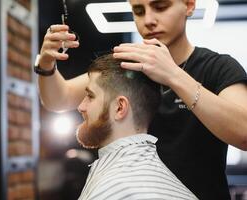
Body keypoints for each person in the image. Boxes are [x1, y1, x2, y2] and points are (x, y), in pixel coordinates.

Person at [36, 0, 247, 199]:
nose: (148, 20)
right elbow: (59, 99)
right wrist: (45, 62)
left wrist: (173, 75)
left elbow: (244, 133)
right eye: (138, 11)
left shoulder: (218, 68)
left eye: (161, 6)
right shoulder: (129, 67)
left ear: (189, 5)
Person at [76, 53, 197, 199]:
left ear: (119, 108)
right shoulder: (180, 191)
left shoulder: (111, 190)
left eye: (90, 96)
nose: (80, 106)